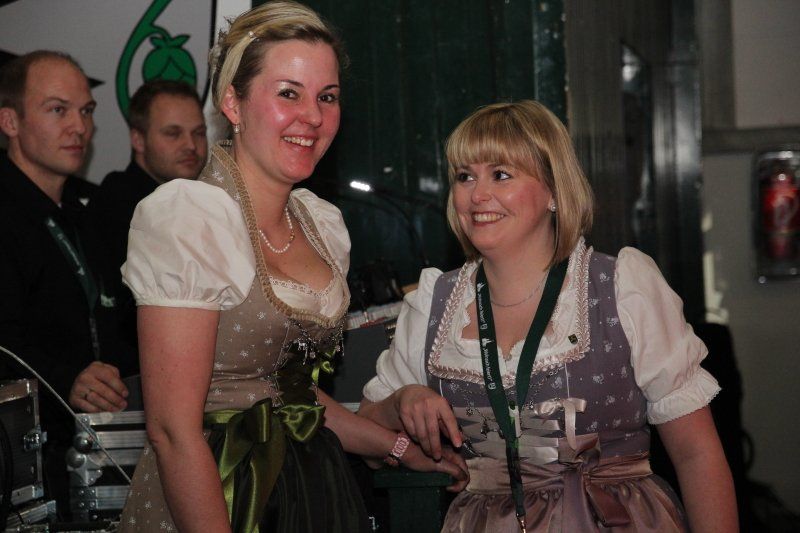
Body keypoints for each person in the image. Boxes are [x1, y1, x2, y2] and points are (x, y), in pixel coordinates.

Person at [117, 2, 467, 532]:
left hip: (310, 488)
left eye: (327, 97)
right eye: (288, 93)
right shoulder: (189, 218)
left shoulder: (318, 223)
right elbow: (173, 433)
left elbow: (292, 400)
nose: (313, 116)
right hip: (220, 490)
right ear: (232, 102)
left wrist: (397, 448)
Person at [359, 100, 738, 532]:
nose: (477, 195)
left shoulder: (621, 287)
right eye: (465, 176)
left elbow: (696, 454)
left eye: (501, 174)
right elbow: (365, 432)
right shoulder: (433, 304)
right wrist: (401, 402)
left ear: (554, 191)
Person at [0, 50, 136, 515]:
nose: (80, 126)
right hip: (22, 474)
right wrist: (65, 379)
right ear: (10, 121)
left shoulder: (85, 215)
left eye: (87, 110)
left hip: (88, 459)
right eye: (58, 110)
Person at [92, 79, 207, 348]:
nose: (191, 145)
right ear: (138, 139)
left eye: (199, 133)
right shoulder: (119, 203)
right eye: (173, 133)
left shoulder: (203, 200)